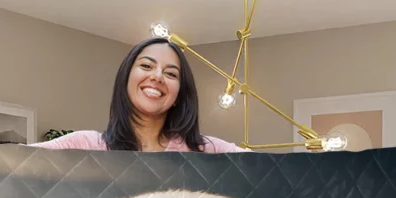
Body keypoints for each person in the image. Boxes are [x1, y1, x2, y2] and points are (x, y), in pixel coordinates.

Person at [32, 37, 248, 154]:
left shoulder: (208, 150)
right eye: (146, 65)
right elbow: (9, 163)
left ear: (180, 93)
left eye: (171, 73)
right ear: (126, 77)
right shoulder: (84, 145)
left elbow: (268, 169)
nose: (157, 76)